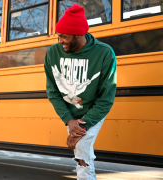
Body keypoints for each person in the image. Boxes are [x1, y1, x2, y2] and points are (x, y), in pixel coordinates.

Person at [44, 4, 117, 180]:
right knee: (81, 151)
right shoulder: (53, 53)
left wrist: (82, 126)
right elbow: (53, 91)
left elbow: (106, 98)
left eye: (63, 36)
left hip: (94, 109)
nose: (60, 40)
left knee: (81, 146)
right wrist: (69, 121)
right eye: (58, 36)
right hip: (71, 113)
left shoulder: (104, 53)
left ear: (78, 34)